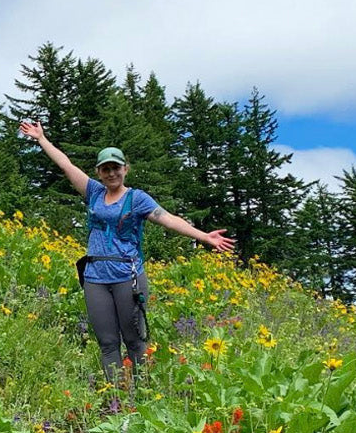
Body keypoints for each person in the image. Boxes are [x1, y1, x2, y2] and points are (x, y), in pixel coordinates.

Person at [18, 122, 236, 381]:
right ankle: (115, 398)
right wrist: (42, 139)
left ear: (125, 169)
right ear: (99, 172)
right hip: (95, 277)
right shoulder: (94, 193)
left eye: (116, 168)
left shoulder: (137, 199)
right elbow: (66, 166)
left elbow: (167, 218)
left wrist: (203, 237)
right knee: (108, 342)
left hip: (127, 276)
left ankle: (142, 393)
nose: (111, 173)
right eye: (106, 169)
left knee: (134, 340)